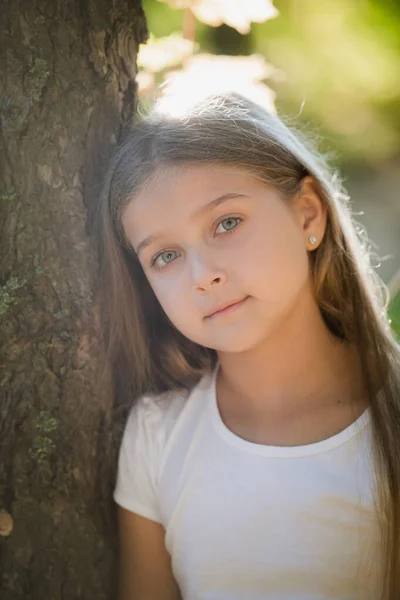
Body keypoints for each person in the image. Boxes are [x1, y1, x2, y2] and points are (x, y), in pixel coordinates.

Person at [96, 90, 400, 600]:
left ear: (307, 215)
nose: (203, 275)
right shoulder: (157, 437)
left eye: (227, 223)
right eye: (165, 256)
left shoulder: (389, 417)